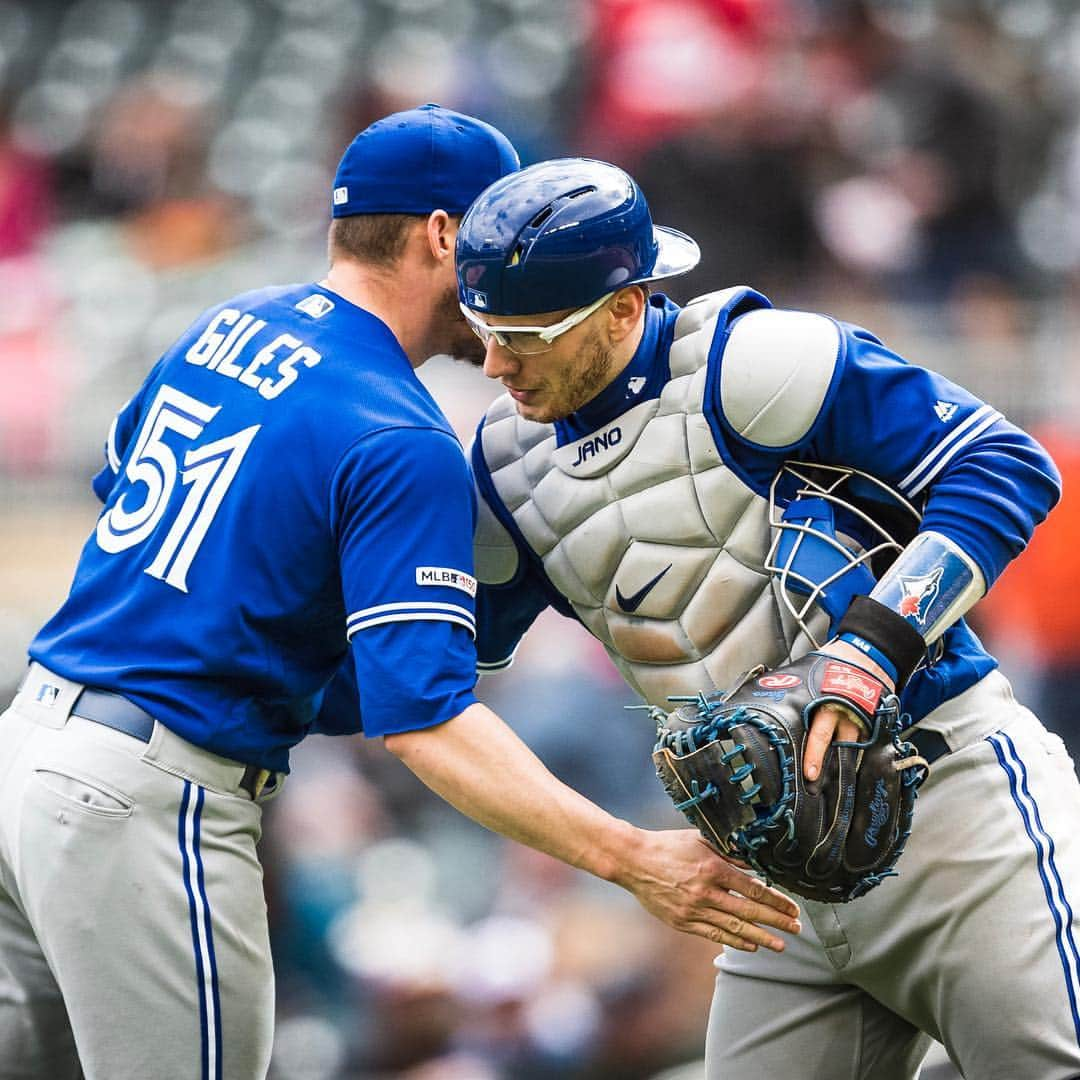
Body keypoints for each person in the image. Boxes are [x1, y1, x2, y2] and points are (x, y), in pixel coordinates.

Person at [0, 108, 802, 1080]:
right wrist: (632, 857)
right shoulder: (399, 430)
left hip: (28, 755)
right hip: (144, 794)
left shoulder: (225, 325)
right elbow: (425, 722)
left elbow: (124, 485)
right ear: (442, 235)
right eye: (499, 231)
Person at [459, 157, 1080, 1080]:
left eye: (527, 334)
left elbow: (1004, 465)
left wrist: (872, 648)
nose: (495, 363)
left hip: (947, 805)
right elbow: (434, 658)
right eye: (485, 330)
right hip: (770, 880)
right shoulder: (506, 470)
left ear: (625, 307)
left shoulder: (756, 361)